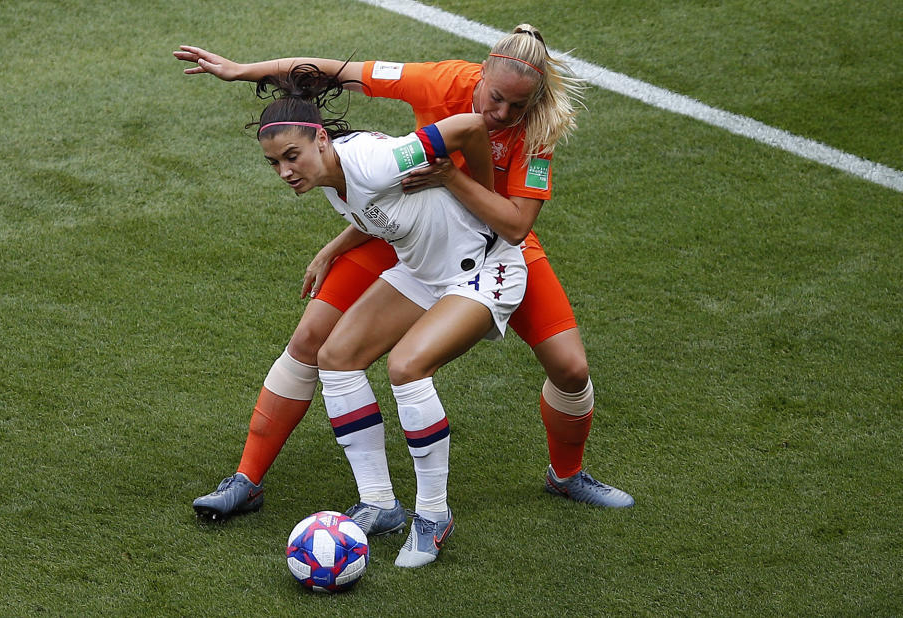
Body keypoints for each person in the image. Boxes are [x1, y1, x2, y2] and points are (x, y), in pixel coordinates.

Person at [175, 24, 634, 521]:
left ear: (535, 101)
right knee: (315, 340)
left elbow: (516, 224)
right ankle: (248, 480)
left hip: (494, 242)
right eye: (495, 98)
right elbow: (331, 72)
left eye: (515, 107)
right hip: (406, 233)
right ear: (481, 73)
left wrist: (460, 182)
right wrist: (242, 71)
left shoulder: (537, 132)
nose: (500, 114)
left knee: (570, 369)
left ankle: (564, 476)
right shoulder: (437, 82)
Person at [244, 65, 527, 567]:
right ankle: (380, 503)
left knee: (406, 367)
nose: (286, 171)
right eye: (274, 163)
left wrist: (484, 198)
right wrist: (334, 247)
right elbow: (378, 210)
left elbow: (469, 127)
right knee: (335, 357)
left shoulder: (375, 160)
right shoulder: (330, 178)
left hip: (485, 270)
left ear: (321, 140)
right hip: (422, 272)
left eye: (292, 156)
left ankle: (433, 516)